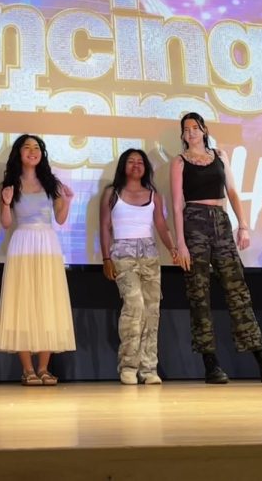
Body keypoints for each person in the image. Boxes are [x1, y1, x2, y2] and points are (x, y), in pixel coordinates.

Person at [171, 112, 262, 383]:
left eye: (195, 127)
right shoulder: (179, 162)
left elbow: (233, 193)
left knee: (238, 292)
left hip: (221, 223)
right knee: (199, 294)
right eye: (186, 129)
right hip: (193, 224)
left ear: (204, 130)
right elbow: (177, 203)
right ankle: (211, 365)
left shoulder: (220, 156)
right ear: (182, 135)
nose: (191, 132)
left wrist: (244, 225)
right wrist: (180, 242)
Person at [0, 134, 76, 385]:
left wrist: (69, 200)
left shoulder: (51, 182)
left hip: (47, 244)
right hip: (22, 242)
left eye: (37, 147)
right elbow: (6, 222)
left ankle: (43, 367)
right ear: (18, 153)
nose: (32, 151)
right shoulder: (11, 184)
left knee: (47, 302)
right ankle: (27, 369)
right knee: (22, 302)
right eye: (27, 147)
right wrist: (6, 203)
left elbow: (61, 219)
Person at [99, 148, 176, 385]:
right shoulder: (112, 193)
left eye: (140, 162)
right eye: (131, 161)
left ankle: (148, 368)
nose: (136, 165)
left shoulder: (153, 194)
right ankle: (128, 366)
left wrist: (173, 248)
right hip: (123, 254)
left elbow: (161, 225)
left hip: (150, 255)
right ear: (123, 166)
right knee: (135, 307)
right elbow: (104, 227)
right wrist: (106, 259)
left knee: (152, 312)